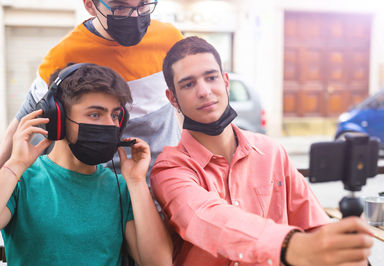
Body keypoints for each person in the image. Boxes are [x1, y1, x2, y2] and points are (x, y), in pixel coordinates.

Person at [150, 36, 374, 266]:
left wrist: (341, 250)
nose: (204, 91)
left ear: (226, 82)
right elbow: (205, 218)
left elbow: (315, 225)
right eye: (188, 84)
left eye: (211, 77)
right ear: (172, 99)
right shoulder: (169, 168)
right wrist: (291, 246)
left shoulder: (272, 152)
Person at [0, 63, 172, 265]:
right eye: (95, 114)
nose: (110, 124)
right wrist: (15, 164)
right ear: (57, 118)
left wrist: (136, 183)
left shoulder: (122, 188)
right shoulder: (21, 181)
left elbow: (159, 263)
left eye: (115, 115)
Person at [0, 0, 183, 182]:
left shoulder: (170, 39)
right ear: (90, 5)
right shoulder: (63, 56)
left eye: (143, 5)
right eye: (119, 7)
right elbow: (22, 123)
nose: (134, 17)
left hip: (168, 177)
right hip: (102, 187)